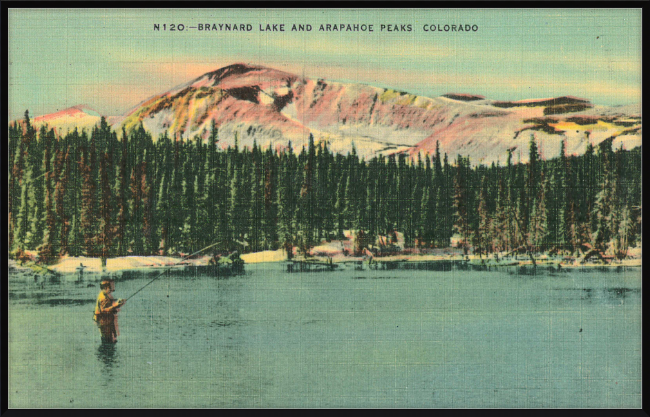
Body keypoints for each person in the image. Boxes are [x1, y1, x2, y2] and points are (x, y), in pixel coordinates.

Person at [94, 279, 126, 343]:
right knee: (107, 340)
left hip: (107, 321)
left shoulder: (105, 295)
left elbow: (110, 306)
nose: (112, 290)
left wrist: (118, 303)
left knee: (109, 339)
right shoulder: (103, 297)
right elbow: (103, 310)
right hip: (104, 322)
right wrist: (115, 305)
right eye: (110, 288)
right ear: (105, 288)